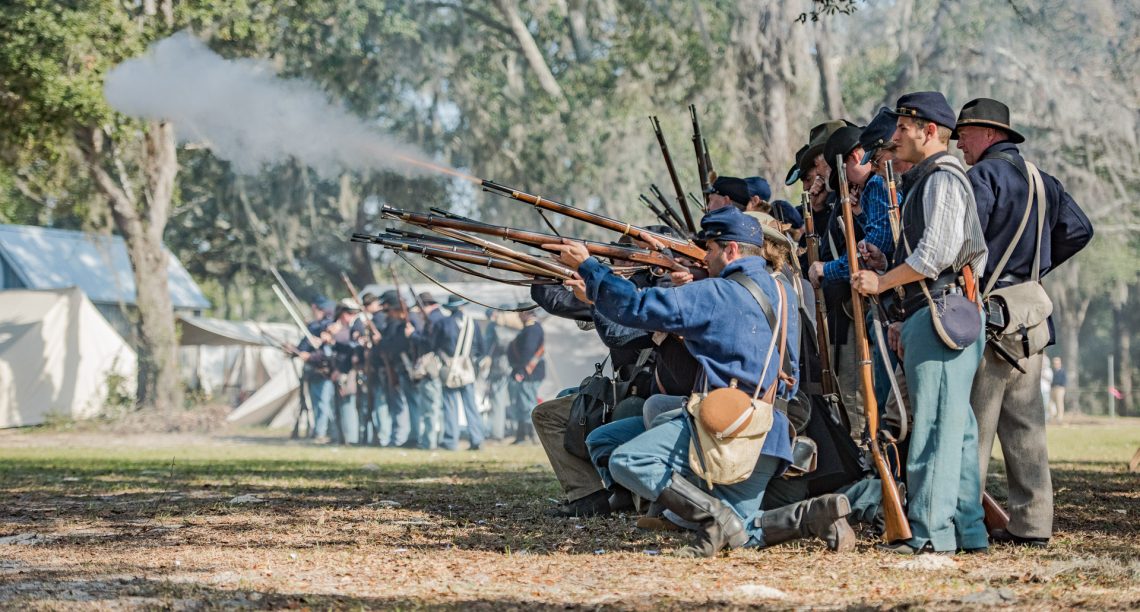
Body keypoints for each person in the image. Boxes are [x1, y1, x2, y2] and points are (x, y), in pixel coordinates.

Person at [552, 207, 855, 558]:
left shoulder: (718, 293)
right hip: (768, 432)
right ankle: (814, 516)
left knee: (628, 461)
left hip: (722, 429)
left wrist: (589, 267)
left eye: (710, 249)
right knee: (740, 533)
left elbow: (637, 306)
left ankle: (713, 518)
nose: (705, 257)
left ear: (731, 251)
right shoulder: (782, 290)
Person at [851, 91, 989, 554]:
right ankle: (968, 531)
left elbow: (934, 257)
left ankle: (931, 535)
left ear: (930, 131)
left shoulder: (943, 177)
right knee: (958, 430)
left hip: (941, 310)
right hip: (933, 310)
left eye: (905, 127)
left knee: (933, 428)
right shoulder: (930, 179)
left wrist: (881, 282)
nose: (896, 136)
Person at [954, 97, 1092, 548]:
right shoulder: (1044, 180)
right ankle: (1033, 526)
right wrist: (1035, 267)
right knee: (1027, 428)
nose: (959, 144)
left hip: (990, 315)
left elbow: (961, 241)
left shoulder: (982, 176)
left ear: (990, 134)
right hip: (1030, 313)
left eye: (965, 134)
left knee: (974, 425)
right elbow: (1079, 229)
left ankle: (965, 522)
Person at [434, 295, 486, 451]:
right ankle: (476, 439)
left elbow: (434, 345)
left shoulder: (443, 323)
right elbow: (481, 349)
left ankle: (451, 441)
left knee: (450, 405)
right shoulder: (473, 323)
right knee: (471, 405)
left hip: (449, 367)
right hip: (467, 368)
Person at [297, 296, 335, 442]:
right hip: (313, 372)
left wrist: (311, 354)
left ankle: (323, 432)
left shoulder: (328, 325)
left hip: (324, 372)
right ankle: (320, 431)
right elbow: (302, 347)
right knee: (317, 404)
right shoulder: (314, 326)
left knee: (324, 404)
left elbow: (326, 353)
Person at [412, 292, 446, 449]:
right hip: (435, 367)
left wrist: (413, 335)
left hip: (431, 368)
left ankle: (429, 442)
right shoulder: (438, 318)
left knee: (430, 408)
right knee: (433, 407)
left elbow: (430, 343)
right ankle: (434, 440)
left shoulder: (433, 320)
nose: (419, 312)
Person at [507, 307, 545, 444]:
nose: (518, 316)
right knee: (524, 403)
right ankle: (522, 436)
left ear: (525, 313)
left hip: (529, 373)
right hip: (528, 373)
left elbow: (528, 352)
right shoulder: (531, 328)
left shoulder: (532, 329)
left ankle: (530, 436)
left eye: (520, 313)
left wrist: (521, 371)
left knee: (527, 404)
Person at [1051, 357, 1067, 423]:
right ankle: (1052, 416)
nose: (1056, 364)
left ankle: (1060, 418)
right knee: (1051, 403)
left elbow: (1064, 381)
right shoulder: (1052, 371)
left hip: (1060, 388)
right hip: (1053, 388)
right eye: (1055, 363)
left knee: (1059, 403)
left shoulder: (1062, 371)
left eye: (1057, 363)